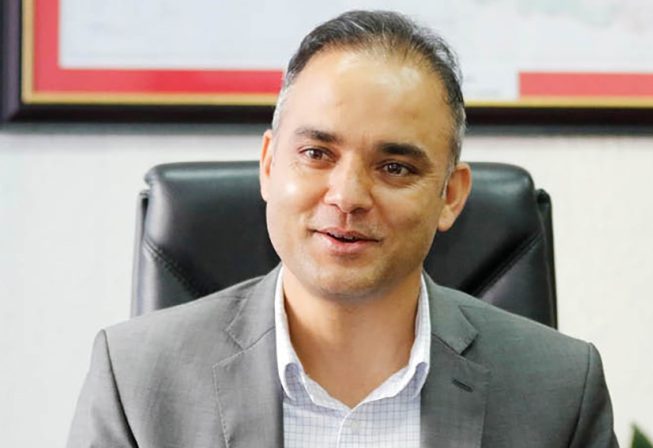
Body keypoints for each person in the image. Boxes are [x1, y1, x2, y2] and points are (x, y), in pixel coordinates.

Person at [67, 10, 618, 448]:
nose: (348, 196)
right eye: (316, 153)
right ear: (268, 165)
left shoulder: (561, 390)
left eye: (394, 167)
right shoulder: (137, 381)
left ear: (450, 196)